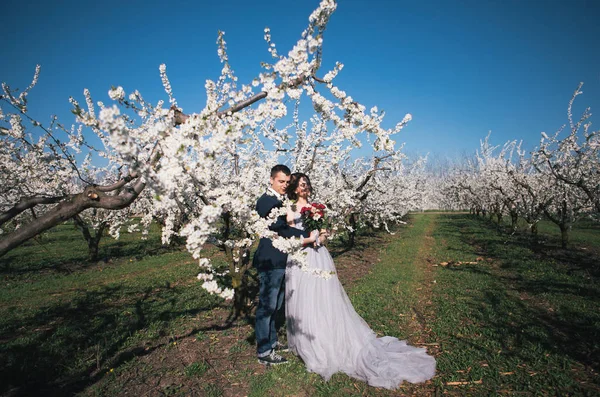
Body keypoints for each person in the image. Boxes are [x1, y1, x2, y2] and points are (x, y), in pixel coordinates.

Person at [284, 172, 436, 389]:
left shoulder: (317, 207)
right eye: (300, 185)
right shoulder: (290, 209)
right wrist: (311, 238)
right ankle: (308, 341)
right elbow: (291, 238)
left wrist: (322, 236)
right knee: (304, 298)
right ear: (293, 188)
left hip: (319, 256)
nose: (304, 188)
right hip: (301, 258)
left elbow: (324, 233)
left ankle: (326, 338)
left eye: (306, 184)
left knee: (325, 298)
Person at [253, 165, 321, 366]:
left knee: (277, 305)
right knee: (267, 306)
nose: (284, 185)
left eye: (286, 182)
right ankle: (264, 350)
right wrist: (306, 236)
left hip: (282, 259)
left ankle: (272, 341)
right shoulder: (267, 201)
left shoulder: (280, 201)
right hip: (270, 260)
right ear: (272, 180)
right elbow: (280, 229)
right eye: (280, 181)